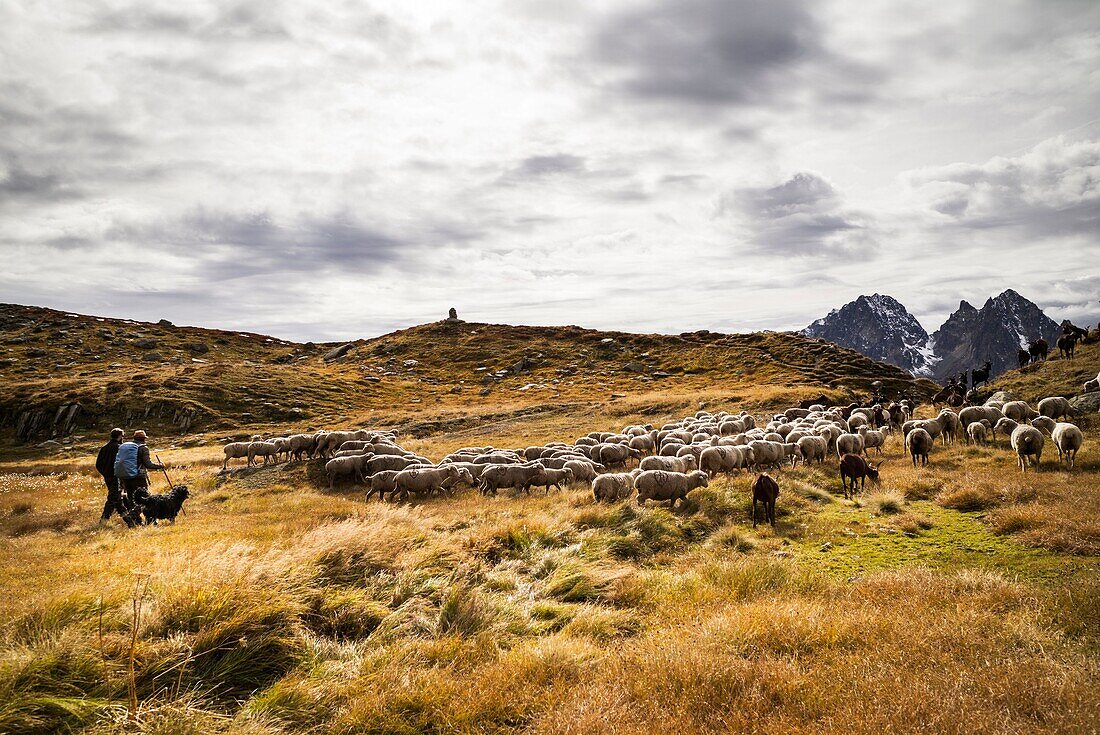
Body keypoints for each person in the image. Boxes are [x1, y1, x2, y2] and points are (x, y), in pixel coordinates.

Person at [114, 429, 166, 511]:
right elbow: (148, 464)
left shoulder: (128, 447)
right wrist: (160, 466)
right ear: (144, 438)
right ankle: (147, 518)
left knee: (131, 498)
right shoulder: (143, 448)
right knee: (144, 498)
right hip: (139, 477)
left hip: (126, 476)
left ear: (134, 438)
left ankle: (133, 518)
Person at [96, 428, 136, 526]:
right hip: (117, 477)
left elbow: (98, 464)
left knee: (118, 501)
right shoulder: (120, 448)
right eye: (123, 436)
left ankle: (131, 523)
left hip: (108, 477)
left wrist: (105, 473)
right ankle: (102, 522)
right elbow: (123, 463)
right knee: (113, 500)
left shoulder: (104, 448)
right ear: (119, 436)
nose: (123, 438)